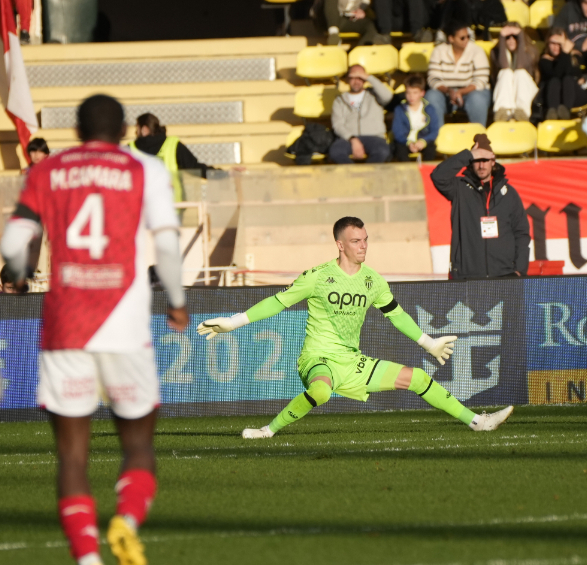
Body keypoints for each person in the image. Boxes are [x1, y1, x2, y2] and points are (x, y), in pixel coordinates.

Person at [0, 94, 188, 565]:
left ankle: (88, 564)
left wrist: (19, 272)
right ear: (124, 130)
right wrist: (176, 299)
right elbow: (166, 244)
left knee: (72, 456)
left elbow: (13, 242)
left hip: (66, 324)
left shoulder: (48, 170)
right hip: (125, 322)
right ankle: (126, 520)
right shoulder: (145, 168)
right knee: (138, 445)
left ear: (77, 132)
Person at [196, 216, 514, 440]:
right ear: (340, 245)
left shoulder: (373, 280)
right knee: (321, 391)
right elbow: (278, 302)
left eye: (365, 240)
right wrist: (233, 322)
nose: (363, 246)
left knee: (418, 377)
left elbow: (396, 315)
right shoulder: (317, 276)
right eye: (355, 241)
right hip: (317, 359)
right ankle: (268, 431)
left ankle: (477, 421)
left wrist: (428, 343)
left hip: (352, 362)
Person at [429, 134, 530, 279]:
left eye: (485, 160)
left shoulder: (508, 193)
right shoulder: (459, 188)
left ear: (493, 161)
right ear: (470, 162)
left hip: (505, 274)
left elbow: (521, 232)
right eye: (476, 160)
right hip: (468, 276)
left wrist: (519, 270)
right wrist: (468, 155)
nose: (481, 165)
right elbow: (438, 176)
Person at [131, 113, 219, 200]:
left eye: (137, 129)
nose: (135, 133)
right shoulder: (174, 145)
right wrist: (220, 174)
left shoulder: (130, 150)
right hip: (173, 206)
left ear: (144, 130)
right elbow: (194, 167)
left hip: (142, 207)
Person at [427, 20, 492, 126]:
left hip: (472, 91)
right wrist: (449, 91)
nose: (466, 40)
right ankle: (437, 134)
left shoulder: (477, 51)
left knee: (477, 99)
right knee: (431, 96)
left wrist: (461, 92)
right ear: (451, 39)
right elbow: (433, 78)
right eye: (462, 38)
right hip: (446, 93)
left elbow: (481, 80)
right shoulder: (438, 51)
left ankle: (479, 133)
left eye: (468, 37)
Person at [330, 64, 393, 164]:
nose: (356, 81)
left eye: (360, 77)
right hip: (349, 138)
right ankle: (354, 172)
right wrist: (352, 139)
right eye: (353, 78)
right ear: (347, 79)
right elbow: (337, 125)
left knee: (382, 151)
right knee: (335, 151)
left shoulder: (374, 95)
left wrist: (369, 77)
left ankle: (367, 172)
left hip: (374, 137)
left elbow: (388, 96)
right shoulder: (339, 100)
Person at [538, 29, 587, 120]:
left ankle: (565, 111)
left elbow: (571, 73)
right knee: (554, 80)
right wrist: (565, 54)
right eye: (553, 43)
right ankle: (552, 113)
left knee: (567, 79)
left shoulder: (575, 57)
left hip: (574, 95)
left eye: (559, 44)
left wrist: (565, 54)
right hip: (554, 96)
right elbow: (555, 74)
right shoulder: (544, 60)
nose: (556, 47)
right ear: (547, 43)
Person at [491, 22, 539, 122]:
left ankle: (522, 112)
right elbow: (504, 65)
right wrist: (502, 39)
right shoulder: (496, 52)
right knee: (506, 72)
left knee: (520, 73)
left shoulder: (531, 50)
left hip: (527, 90)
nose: (511, 40)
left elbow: (520, 65)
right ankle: (503, 112)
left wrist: (521, 37)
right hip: (506, 92)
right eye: (507, 37)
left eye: (515, 37)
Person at [551, 0, 587, 76]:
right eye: (586, 4)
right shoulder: (568, 9)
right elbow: (555, 36)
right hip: (572, 50)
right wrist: (578, 47)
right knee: (569, 59)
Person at [391, 73, 440, 160]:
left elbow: (434, 131)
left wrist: (423, 141)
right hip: (405, 142)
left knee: (431, 149)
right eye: (408, 93)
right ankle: (406, 169)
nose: (411, 96)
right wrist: (409, 143)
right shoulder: (399, 109)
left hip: (423, 141)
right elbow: (397, 132)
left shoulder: (430, 109)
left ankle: (426, 169)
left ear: (422, 93)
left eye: (415, 93)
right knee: (399, 149)